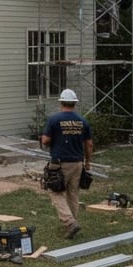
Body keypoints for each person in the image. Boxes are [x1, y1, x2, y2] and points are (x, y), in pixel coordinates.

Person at [41, 88, 93, 239]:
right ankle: (73, 223)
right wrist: (88, 162)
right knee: (73, 193)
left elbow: (45, 140)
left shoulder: (54, 120)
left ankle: (70, 223)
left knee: (55, 192)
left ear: (61, 102)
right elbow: (89, 144)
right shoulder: (82, 121)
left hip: (60, 163)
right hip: (77, 163)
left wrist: (47, 138)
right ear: (74, 104)